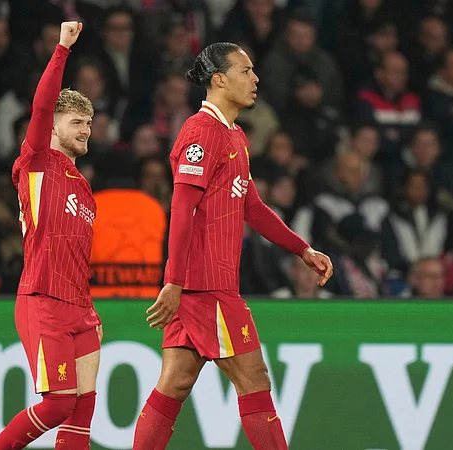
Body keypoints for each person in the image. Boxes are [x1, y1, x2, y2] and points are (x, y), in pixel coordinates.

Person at [131, 42, 334, 450]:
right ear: (219, 80)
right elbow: (181, 209)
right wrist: (174, 282)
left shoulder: (235, 135)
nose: (256, 78)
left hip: (202, 286)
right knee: (254, 381)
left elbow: (252, 207)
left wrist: (303, 249)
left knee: (174, 384)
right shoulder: (200, 133)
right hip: (207, 287)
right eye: (245, 71)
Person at [0, 22, 102, 450]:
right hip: (44, 299)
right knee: (57, 404)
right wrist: (62, 49)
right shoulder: (36, 163)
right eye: (76, 121)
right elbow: (39, 109)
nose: (86, 129)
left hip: (82, 308)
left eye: (89, 122)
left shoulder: (85, 188)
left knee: (82, 410)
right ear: (53, 126)